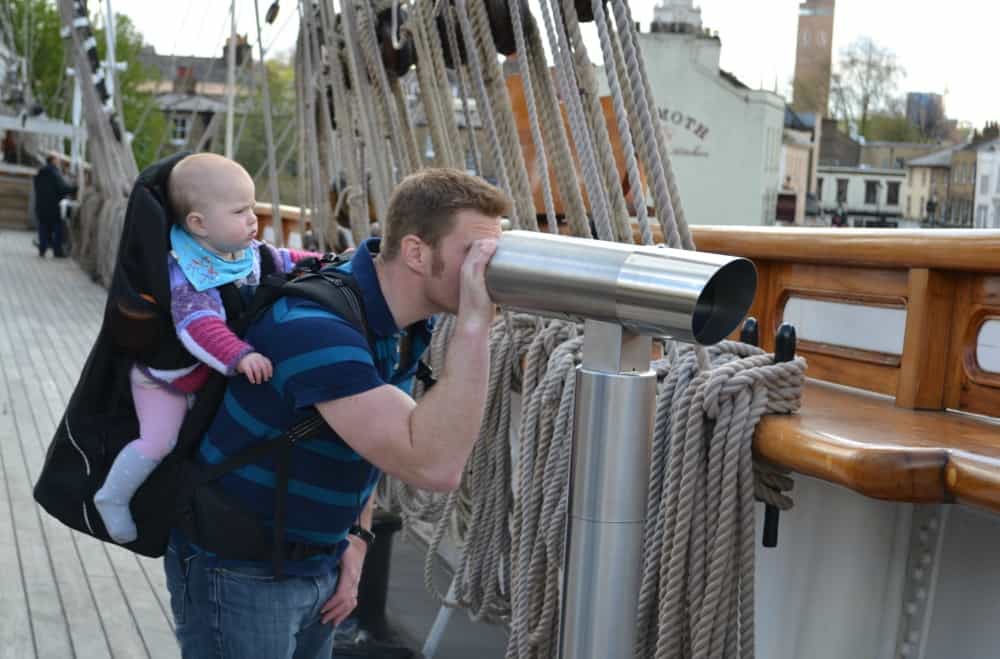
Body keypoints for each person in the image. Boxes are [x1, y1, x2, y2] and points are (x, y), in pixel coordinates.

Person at [164, 168, 509, 659]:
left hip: (315, 562)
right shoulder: (316, 330)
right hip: (241, 572)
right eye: (472, 253)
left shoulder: (394, 319)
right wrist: (475, 326)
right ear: (416, 253)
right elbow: (434, 465)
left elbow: (374, 440)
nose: (485, 270)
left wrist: (357, 537)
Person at [94, 153, 321, 544]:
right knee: (159, 441)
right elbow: (199, 326)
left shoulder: (240, 252)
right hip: (164, 382)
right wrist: (240, 354)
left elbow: (283, 259)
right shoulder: (187, 272)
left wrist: (328, 262)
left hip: (200, 378)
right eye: (239, 211)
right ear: (199, 224)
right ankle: (112, 496)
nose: (252, 219)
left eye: (252, 207)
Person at [33, 153, 78, 257]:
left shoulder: (39, 173)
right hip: (53, 207)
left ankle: (42, 249)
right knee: (57, 228)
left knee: (43, 228)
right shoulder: (55, 173)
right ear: (53, 161)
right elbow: (62, 188)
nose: (59, 162)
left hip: (41, 206)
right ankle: (57, 251)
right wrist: (75, 188)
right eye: (58, 160)